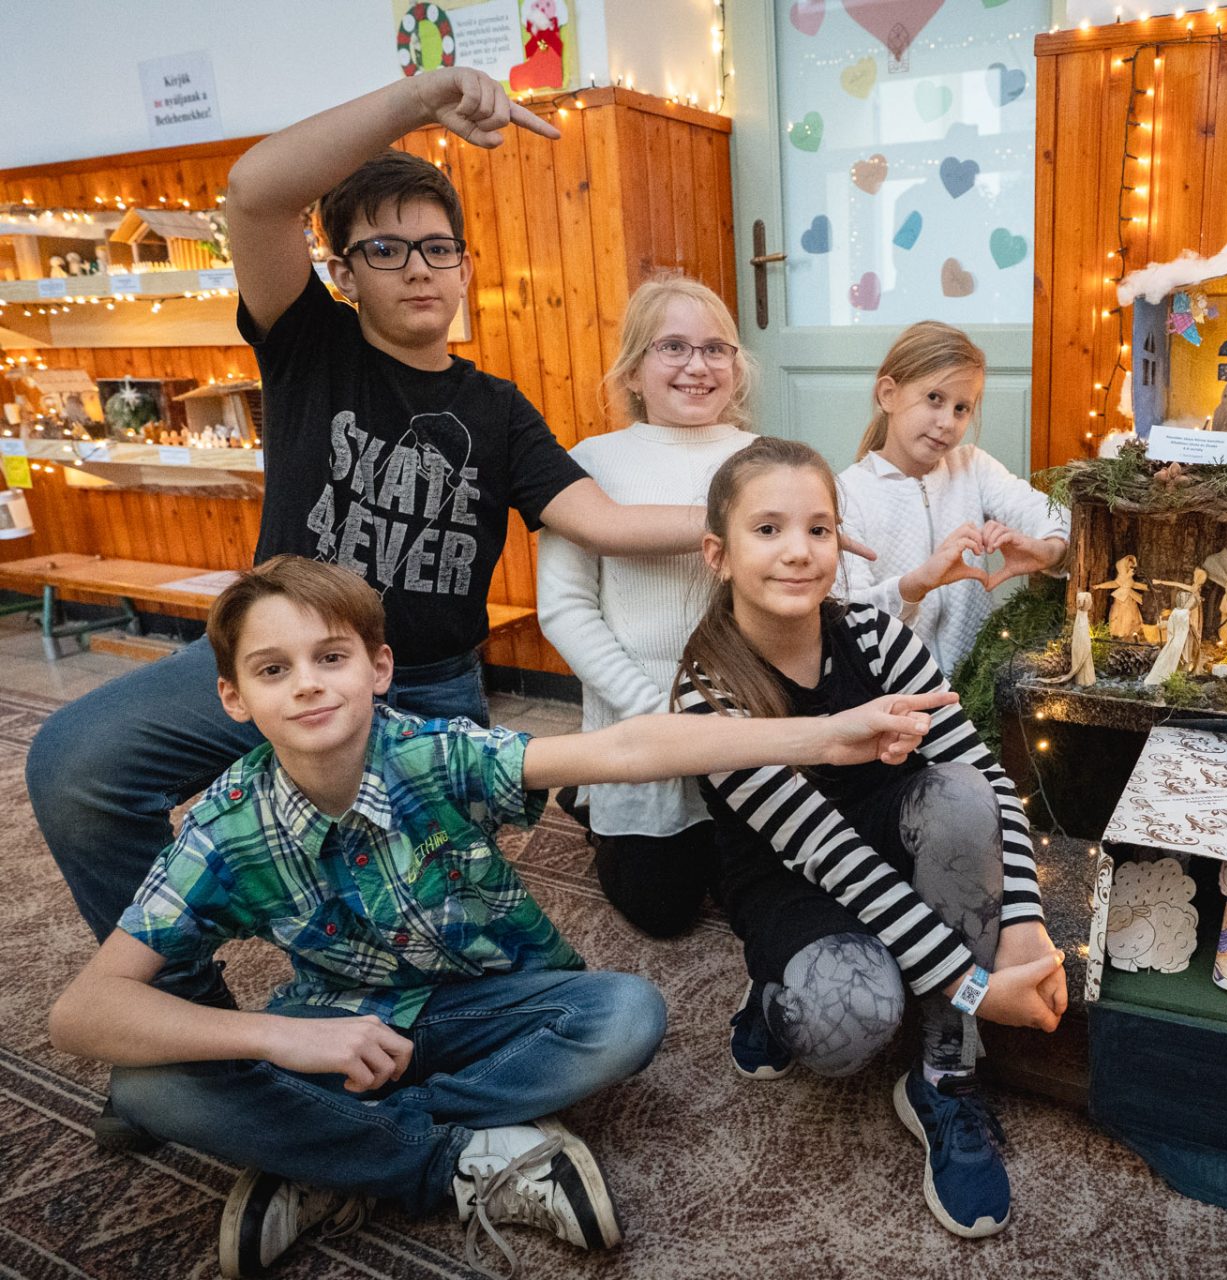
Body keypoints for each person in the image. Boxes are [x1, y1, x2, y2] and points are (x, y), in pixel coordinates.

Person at [24, 68, 878, 1044]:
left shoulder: (499, 411)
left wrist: (775, 522)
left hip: (425, 686)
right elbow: (254, 192)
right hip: (276, 657)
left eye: (437, 248)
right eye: (385, 250)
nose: (418, 269)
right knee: (75, 761)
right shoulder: (310, 345)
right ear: (345, 271)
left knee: (437, 941)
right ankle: (180, 1012)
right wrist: (418, 100)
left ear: (465, 266)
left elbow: (602, 521)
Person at [48, 556, 951, 1278]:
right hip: (340, 1029)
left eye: (331, 658)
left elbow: (628, 747)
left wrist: (823, 734)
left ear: (378, 670)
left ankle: (330, 1156)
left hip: (499, 1006)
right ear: (234, 698)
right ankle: (462, 1158)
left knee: (626, 1016)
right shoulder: (225, 830)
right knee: (148, 1089)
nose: (309, 686)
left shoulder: (435, 754)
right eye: (273, 669)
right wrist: (283, 1039)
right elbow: (84, 1013)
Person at [675, 437, 1067, 1238]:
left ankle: (944, 1073)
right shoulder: (706, 697)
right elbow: (837, 860)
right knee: (851, 1020)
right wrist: (976, 986)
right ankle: (773, 994)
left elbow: (988, 779)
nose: (799, 551)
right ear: (719, 554)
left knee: (961, 796)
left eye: (819, 529)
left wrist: (1023, 926)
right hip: (795, 878)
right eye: (768, 530)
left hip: (891, 832)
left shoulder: (878, 636)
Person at [537, 275, 753, 939]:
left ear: (736, 367)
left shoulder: (762, 460)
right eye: (673, 347)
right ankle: (590, 797)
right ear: (632, 371)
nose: (698, 365)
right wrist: (651, 711)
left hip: (741, 722)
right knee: (662, 913)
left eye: (715, 349)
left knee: (754, 898)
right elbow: (566, 609)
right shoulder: (591, 465)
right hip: (641, 721)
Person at [836, 321, 1069, 675]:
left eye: (962, 408)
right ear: (888, 395)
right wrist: (917, 584)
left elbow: (1052, 515)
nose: (947, 422)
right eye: (934, 399)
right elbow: (848, 613)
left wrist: (1048, 551)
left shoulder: (972, 467)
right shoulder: (847, 494)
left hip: (976, 685)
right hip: (894, 690)